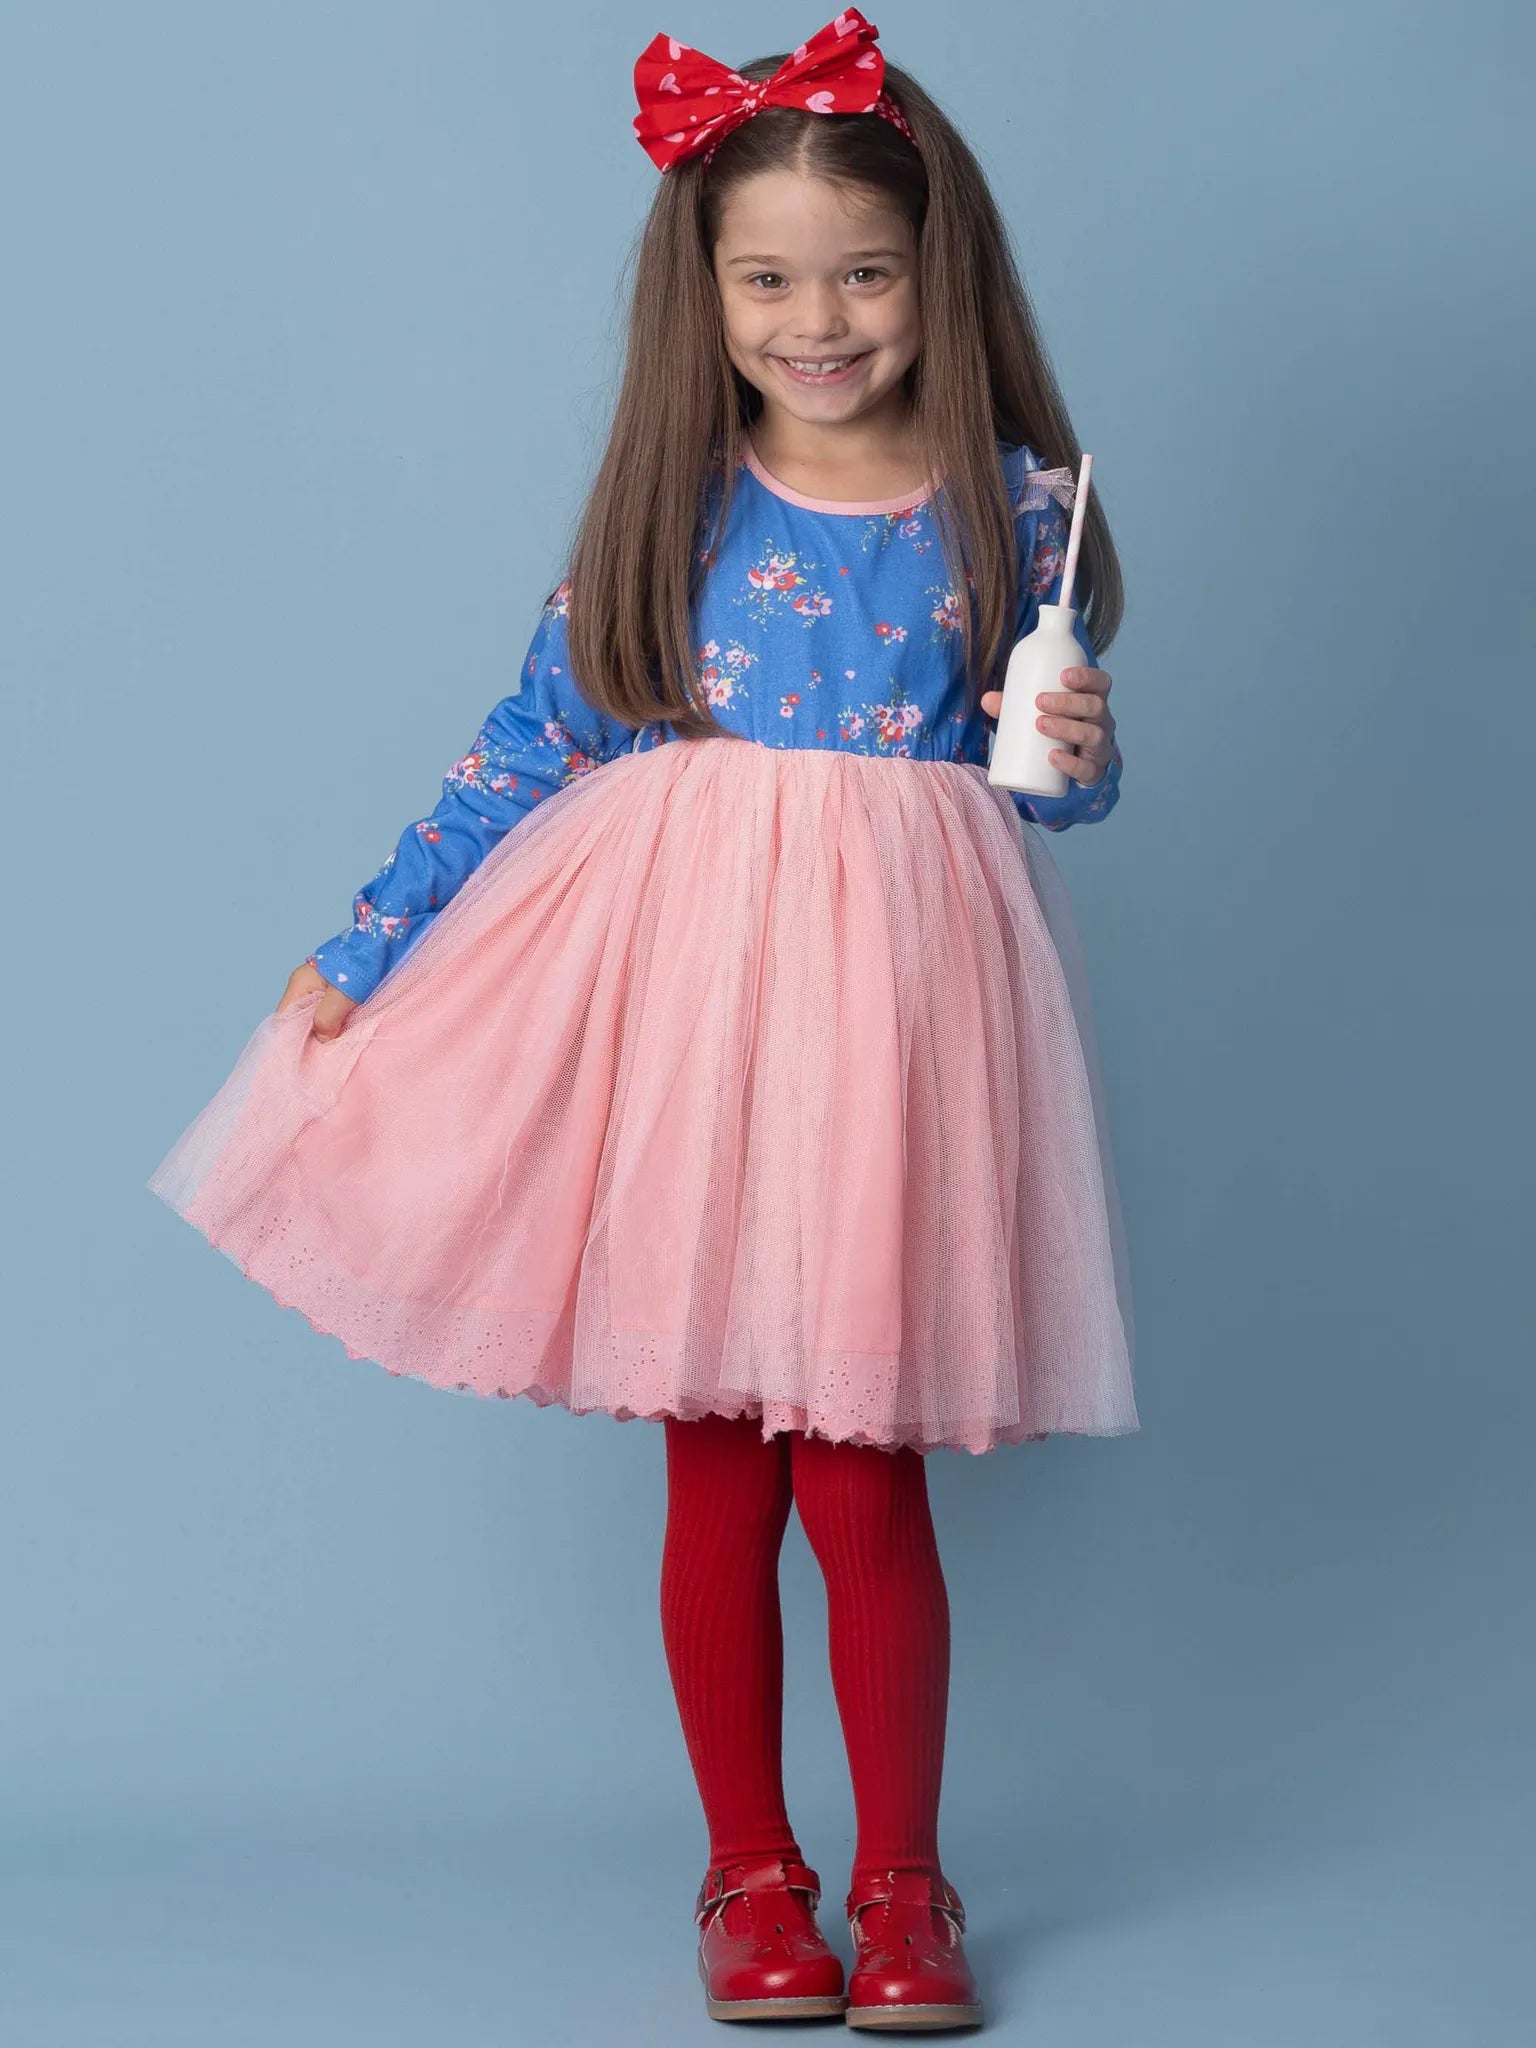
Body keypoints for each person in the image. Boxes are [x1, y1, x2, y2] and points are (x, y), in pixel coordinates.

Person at [147, 10, 1137, 2030]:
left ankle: (905, 1882)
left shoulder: (1013, 510)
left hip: (900, 1023)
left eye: (862, 272)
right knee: (721, 1467)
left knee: (866, 1473)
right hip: (696, 1014)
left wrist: (1078, 748)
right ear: (707, 294)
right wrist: (367, 942)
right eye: (768, 278)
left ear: (934, 271)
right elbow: (533, 743)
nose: (819, 318)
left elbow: (1051, 787)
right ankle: (749, 1873)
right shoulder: (676, 507)